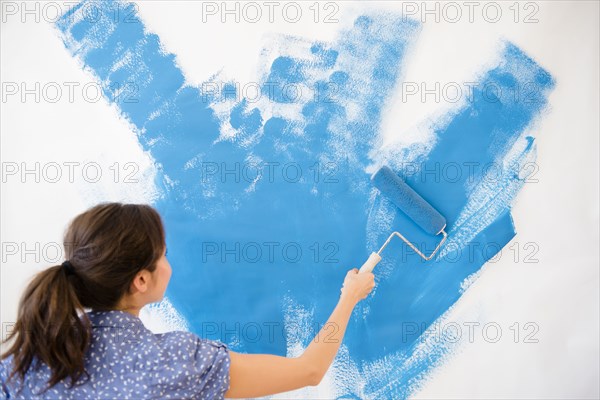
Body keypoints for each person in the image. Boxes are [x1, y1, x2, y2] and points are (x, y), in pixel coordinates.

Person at [0, 202, 375, 399]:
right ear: (141, 280)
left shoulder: (31, 354)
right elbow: (307, 372)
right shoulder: (176, 361)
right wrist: (349, 298)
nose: (169, 261)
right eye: (163, 253)